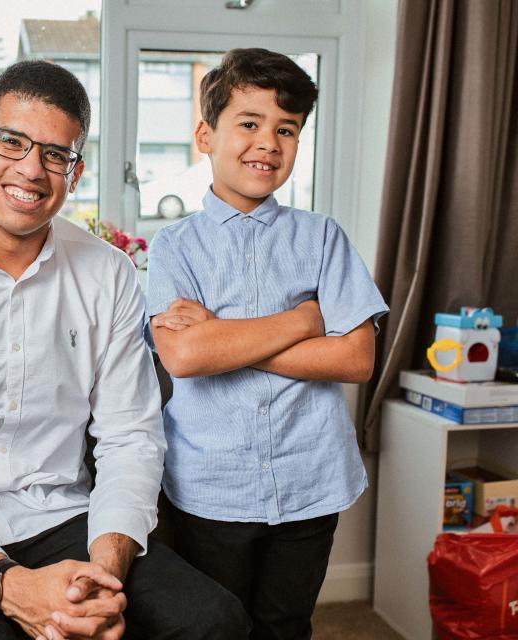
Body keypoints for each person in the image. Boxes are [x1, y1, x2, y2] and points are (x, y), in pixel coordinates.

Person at [0, 60, 248, 640]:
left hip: (61, 515)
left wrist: (100, 577)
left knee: (214, 621)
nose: (31, 170)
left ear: (76, 171)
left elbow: (130, 438)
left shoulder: (109, 273)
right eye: (12, 142)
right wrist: (8, 585)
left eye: (55, 155)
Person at [147, 48, 390, 639]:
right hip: (210, 486)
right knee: (215, 625)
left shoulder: (323, 236)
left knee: (286, 625)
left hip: (311, 479)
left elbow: (355, 359)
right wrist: (306, 320)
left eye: (287, 130)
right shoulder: (173, 247)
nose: (268, 143)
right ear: (206, 135)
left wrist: (224, 335)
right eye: (249, 124)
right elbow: (185, 355)